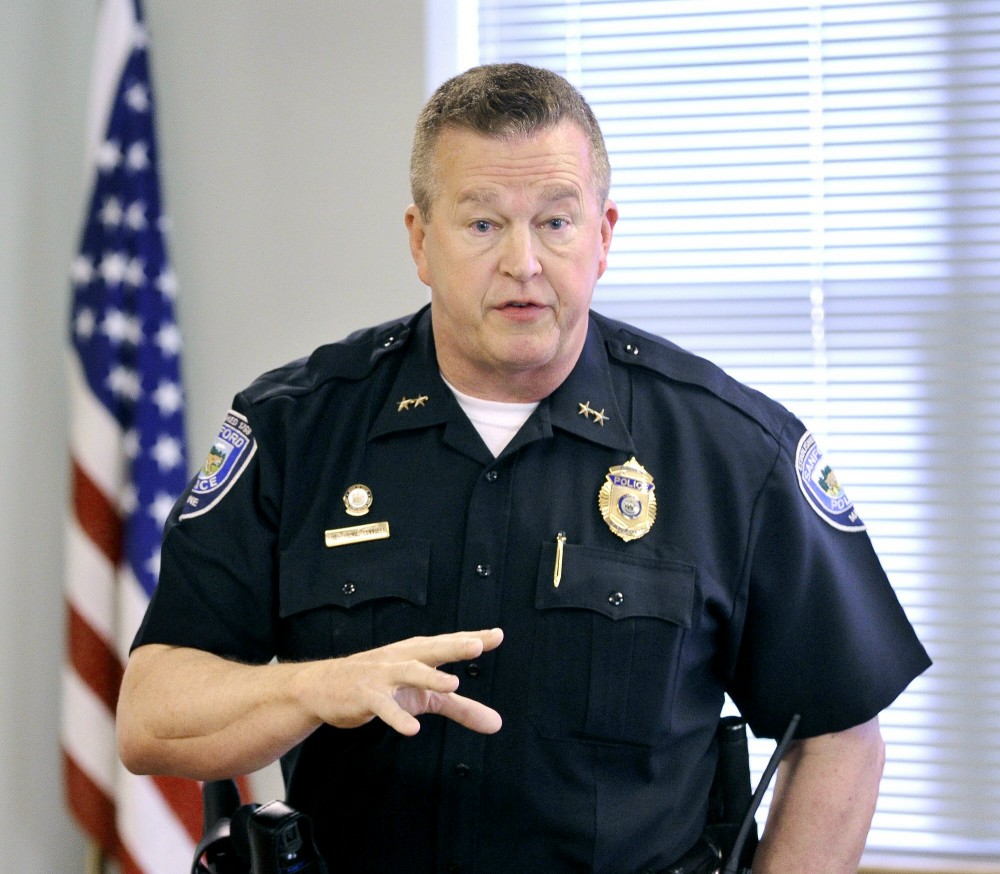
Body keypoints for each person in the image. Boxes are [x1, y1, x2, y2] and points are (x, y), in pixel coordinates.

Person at [117, 63, 931, 873]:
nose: (524, 263)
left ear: (603, 235)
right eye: (482, 225)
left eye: (556, 222)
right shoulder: (295, 429)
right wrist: (309, 689)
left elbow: (843, 737)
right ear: (419, 240)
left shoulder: (730, 450)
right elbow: (150, 717)